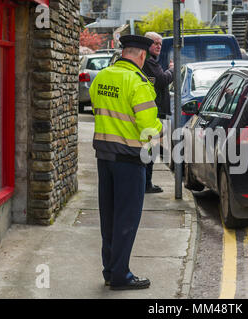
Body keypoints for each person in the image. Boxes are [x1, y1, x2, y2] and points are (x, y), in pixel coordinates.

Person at [89, 34, 162, 291]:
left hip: (104, 157)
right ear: (141, 55)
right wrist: (159, 129)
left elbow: (97, 108)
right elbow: (148, 130)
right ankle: (121, 276)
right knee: (126, 220)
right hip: (129, 161)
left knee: (108, 217)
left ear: (124, 52)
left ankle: (110, 270)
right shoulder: (138, 83)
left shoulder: (102, 77)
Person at [142, 32, 174, 194]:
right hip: (153, 112)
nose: (158, 46)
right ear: (147, 44)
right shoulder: (149, 61)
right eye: (155, 43)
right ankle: (146, 184)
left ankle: (146, 183)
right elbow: (162, 80)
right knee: (150, 149)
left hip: (153, 111)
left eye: (160, 43)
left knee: (151, 149)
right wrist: (172, 71)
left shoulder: (150, 60)